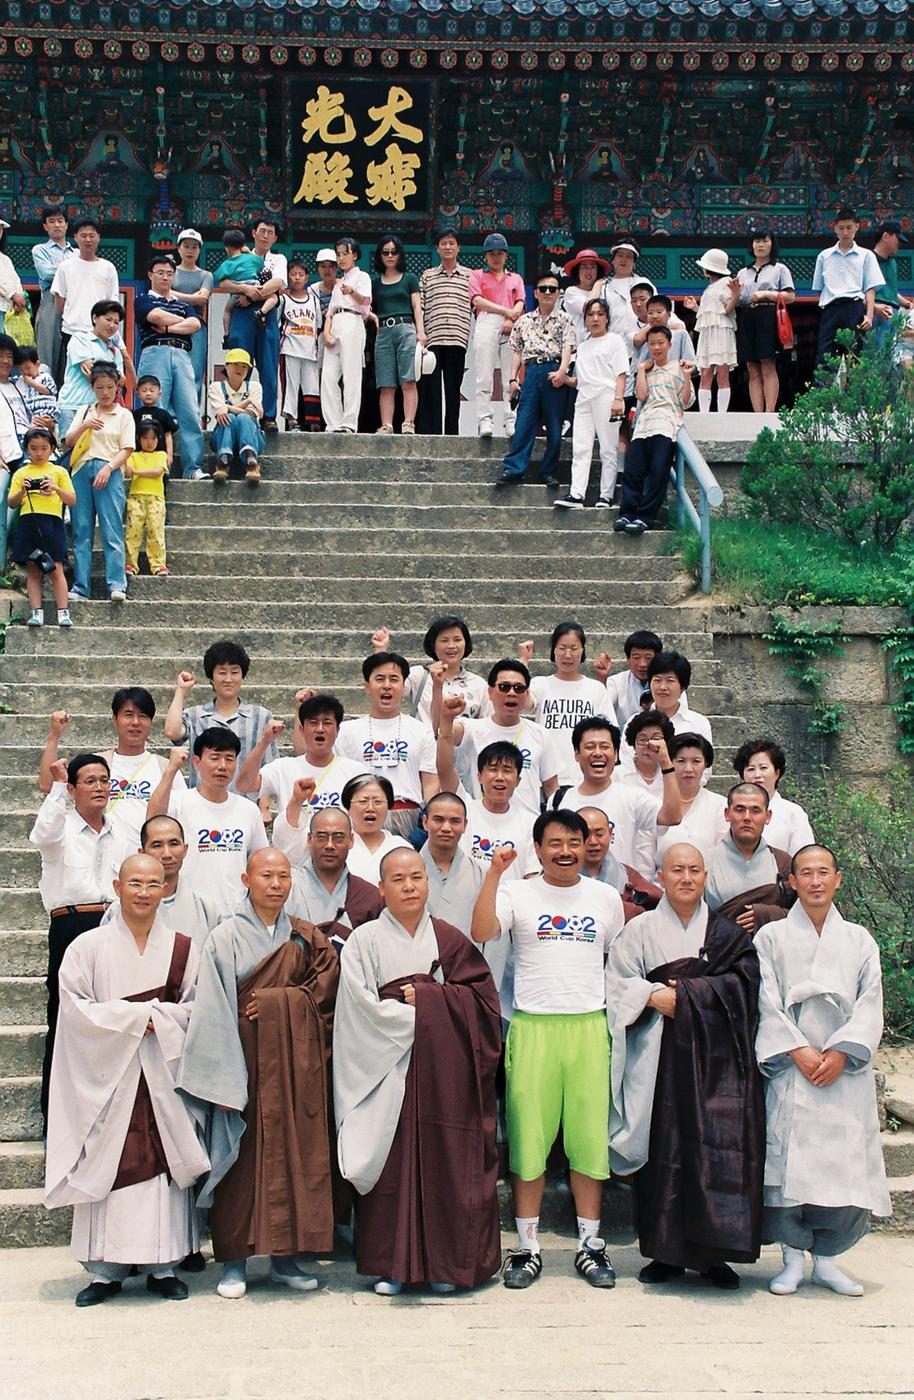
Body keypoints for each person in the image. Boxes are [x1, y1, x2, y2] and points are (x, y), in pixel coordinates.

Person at [334, 846, 502, 1295]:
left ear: (428, 884)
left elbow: (484, 1005)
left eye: (417, 877)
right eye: (398, 879)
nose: (409, 886)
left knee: (446, 1165)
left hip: (444, 1070)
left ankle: (444, 1267)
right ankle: (392, 1267)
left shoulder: (449, 938)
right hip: (384, 1069)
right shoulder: (363, 941)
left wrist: (427, 1001)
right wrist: (431, 1011)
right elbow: (359, 1010)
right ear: (382, 887)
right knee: (391, 1167)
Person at [45, 853, 207, 1307]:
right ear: (117, 887)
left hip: (162, 1077)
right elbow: (74, 1010)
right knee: (108, 1159)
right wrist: (143, 1016)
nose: (143, 892)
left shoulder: (183, 947)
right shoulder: (87, 948)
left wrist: (164, 1019)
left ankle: (164, 1264)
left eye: (153, 884)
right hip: (106, 1078)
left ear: (164, 889)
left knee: (161, 1162)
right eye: (134, 883)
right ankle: (105, 1272)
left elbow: (197, 1009)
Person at [177, 848, 339, 1299]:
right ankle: (233, 1262)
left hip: (294, 1068)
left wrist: (276, 1003)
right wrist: (224, 1078)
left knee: (296, 1153)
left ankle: (287, 1259)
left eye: (283, 876)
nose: (275, 883)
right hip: (242, 1064)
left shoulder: (306, 938)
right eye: (266, 875)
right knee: (241, 1160)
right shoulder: (225, 937)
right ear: (246, 879)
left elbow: (325, 995)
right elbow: (212, 1009)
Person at [472, 812, 624, 1290]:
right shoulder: (518, 891)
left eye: (574, 842)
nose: (565, 851)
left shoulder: (605, 898)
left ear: (586, 846)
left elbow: (616, 960)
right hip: (533, 1027)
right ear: (537, 848)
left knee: (587, 1142)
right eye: (554, 842)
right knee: (530, 1142)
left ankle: (590, 1245)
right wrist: (495, 873)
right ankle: (528, 1247)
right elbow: (481, 932)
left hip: (588, 1026)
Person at [607, 843, 765, 1289]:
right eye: (677, 869)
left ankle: (715, 1255)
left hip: (717, 1062)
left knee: (714, 1151)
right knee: (664, 1151)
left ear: (705, 875)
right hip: (656, 1055)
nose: (686, 878)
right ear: (662, 874)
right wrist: (651, 996)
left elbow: (746, 986)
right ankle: (665, 1253)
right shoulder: (639, 931)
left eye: (695, 870)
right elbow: (617, 982)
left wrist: (690, 996)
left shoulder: (728, 934)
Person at [755, 844, 892, 1297]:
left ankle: (829, 1259)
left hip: (842, 1071)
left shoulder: (859, 939)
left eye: (823, 873)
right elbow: (765, 1002)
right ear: (791, 881)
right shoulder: (770, 938)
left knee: (843, 1165)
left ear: (837, 879)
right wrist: (796, 1049)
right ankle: (792, 1258)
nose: (815, 881)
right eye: (805, 873)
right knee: (788, 1167)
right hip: (794, 1067)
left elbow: (871, 1002)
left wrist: (840, 1053)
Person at [29, 752, 133, 1125]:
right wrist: (56, 787)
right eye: (89, 781)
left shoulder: (123, 828)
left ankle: (108, 1116)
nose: (99, 787)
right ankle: (56, 1118)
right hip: (71, 926)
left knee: (113, 1014)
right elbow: (41, 835)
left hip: (114, 923)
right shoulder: (60, 826)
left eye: (104, 780)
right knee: (65, 1019)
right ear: (73, 788)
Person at [146, 729, 269, 918]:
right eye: (215, 757)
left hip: (235, 915)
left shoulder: (249, 810)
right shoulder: (178, 803)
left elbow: (260, 862)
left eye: (229, 758)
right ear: (197, 762)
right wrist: (171, 769)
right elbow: (151, 824)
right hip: (187, 913)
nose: (222, 766)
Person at [555, 716, 681, 876]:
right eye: (590, 747)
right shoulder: (562, 799)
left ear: (615, 754)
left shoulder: (631, 797)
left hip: (620, 893)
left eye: (605, 746)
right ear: (577, 754)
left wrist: (666, 763)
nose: (598, 753)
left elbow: (672, 817)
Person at [334, 651, 439, 838]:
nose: (387, 686)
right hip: (361, 816)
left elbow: (431, 783)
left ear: (404, 685)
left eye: (394, 679)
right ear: (366, 686)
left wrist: (427, 819)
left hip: (409, 817)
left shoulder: (421, 731)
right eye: (380, 679)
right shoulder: (346, 732)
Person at [443, 659, 560, 817]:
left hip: (527, 828)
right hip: (483, 822)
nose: (511, 693)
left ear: (526, 694)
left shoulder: (540, 734)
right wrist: (446, 715)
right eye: (504, 687)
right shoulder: (472, 729)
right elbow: (442, 734)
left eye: (519, 688)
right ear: (490, 692)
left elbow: (551, 788)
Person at [164, 639, 280, 791]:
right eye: (222, 672)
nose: (228, 679)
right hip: (201, 806)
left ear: (242, 676)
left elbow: (270, 768)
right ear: (211, 677)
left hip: (245, 806)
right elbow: (172, 732)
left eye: (234, 672)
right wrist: (181, 690)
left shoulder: (261, 716)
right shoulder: (195, 715)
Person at [495, 272, 574, 489]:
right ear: (536, 293)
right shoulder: (524, 321)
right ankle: (514, 469)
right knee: (524, 423)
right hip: (531, 372)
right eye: (543, 288)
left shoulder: (565, 319)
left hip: (553, 371)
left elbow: (568, 346)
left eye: (553, 288)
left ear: (559, 293)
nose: (548, 292)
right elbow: (517, 352)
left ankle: (547, 472)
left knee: (556, 429)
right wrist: (513, 379)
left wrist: (562, 371)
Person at [63, 361, 134, 604]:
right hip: (81, 470)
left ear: (117, 387)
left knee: (111, 528)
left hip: (109, 469)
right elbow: (68, 442)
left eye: (110, 387)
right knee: (81, 530)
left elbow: (127, 448)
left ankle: (117, 584)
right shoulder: (84, 411)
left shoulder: (124, 415)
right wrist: (85, 425)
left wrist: (109, 467)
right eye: (100, 387)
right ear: (93, 387)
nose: (105, 392)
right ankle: (82, 585)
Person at [237, 692, 366, 822]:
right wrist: (264, 742)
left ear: (337, 730)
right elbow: (244, 785)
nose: (320, 729)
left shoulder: (357, 772)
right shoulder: (282, 768)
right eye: (313, 723)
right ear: (301, 729)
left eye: (327, 723)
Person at [615, 327, 694, 535]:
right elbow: (641, 395)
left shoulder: (679, 368)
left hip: (667, 426)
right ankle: (627, 513)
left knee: (659, 471)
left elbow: (685, 402)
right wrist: (641, 369)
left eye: (661, 343)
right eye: (652, 344)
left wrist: (686, 377)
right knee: (633, 471)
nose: (657, 347)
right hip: (643, 427)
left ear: (669, 344)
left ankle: (646, 517)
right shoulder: (646, 369)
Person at [520, 622, 617, 785]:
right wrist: (524, 660)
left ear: (582, 651)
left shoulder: (596, 688)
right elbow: (522, 702)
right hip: (548, 777)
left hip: (585, 777)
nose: (567, 655)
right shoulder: (541, 684)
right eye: (562, 648)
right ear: (553, 651)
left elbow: (611, 730)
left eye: (573, 648)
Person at [554, 298, 628, 510]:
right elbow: (582, 379)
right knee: (581, 447)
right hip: (584, 399)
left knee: (608, 448)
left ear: (607, 318)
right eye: (590, 314)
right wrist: (564, 379)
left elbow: (620, 374)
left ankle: (606, 495)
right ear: (585, 319)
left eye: (600, 314)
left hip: (607, 397)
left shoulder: (615, 341)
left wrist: (618, 398)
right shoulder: (583, 346)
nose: (595, 319)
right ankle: (577, 494)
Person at [134, 254, 203, 480]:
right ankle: (156, 464)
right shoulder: (144, 299)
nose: (165, 277)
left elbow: (195, 324)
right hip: (156, 353)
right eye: (160, 272)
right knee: (155, 410)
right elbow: (153, 315)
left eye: (169, 273)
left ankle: (193, 468)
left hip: (182, 355)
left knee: (190, 410)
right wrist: (179, 322)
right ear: (151, 275)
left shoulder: (183, 304)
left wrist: (166, 328)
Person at [102, 814, 218, 948]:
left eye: (174, 844)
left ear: (185, 850)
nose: (167, 854)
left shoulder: (207, 909)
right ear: (142, 852)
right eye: (157, 845)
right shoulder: (119, 910)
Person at [277, 803, 384, 945]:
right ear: (309, 839)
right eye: (322, 837)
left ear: (351, 840)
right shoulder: (286, 889)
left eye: (338, 838)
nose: (329, 845)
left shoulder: (369, 896)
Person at [221, 217, 287, 431]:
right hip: (241, 314)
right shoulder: (239, 257)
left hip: (265, 314)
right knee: (238, 365)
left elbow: (277, 284)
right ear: (254, 233)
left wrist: (251, 295)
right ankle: (234, 411)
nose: (266, 235)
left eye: (270, 232)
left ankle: (268, 416)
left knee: (268, 368)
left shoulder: (278, 259)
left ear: (275, 237)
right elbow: (224, 282)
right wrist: (245, 290)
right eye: (262, 231)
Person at [705, 782, 795, 933]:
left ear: (768, 816)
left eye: (755, 811)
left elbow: (803, 916)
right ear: (727, 814)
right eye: (740, 810)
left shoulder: (782, 863)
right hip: (719, 951)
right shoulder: (704, 862)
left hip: (771, 951)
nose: (747, 817)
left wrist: (770, 914)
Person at [8, 426, 74, 628]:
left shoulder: (59, 471)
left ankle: (63, 612)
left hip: (52, 523)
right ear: (27, 449)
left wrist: (54, 488)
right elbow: (12, 503)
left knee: (57, 569)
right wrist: (23, 490)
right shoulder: (22, 473)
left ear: (52, 448)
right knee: (33, 570)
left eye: (44, 448)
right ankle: (36, 613)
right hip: (29, 522)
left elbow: (72, 500)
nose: (38, 453)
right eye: (33, 448)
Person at [371, 614, 489, 724]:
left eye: (457, 640)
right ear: (433, 645)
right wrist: (380, 651)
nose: (451, 646)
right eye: (444, 640)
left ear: (466, 643)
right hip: (425, 744)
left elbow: (486, 725)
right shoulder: (418, 675)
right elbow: (388, 688)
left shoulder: (479, 685)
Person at [467, 232, 526, 438]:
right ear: (485, 256)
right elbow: (477, 301)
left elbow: (520, 301)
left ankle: (511, 418)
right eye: (491, 253)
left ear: (506, 255)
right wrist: (505, 312)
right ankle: (485, 419)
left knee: (511, 376)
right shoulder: (477, 275)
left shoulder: (515, 278)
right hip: (487, 319)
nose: (496, 257)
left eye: (500, 253)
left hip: (512, 322)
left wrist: (511, 317)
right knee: (484, 375)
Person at [417, 227, 472, 435]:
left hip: (457, 339)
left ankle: (452, 435)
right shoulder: (427, 276)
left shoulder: (469, 276)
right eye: (443, 243)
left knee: (452, 390)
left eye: (452, 243)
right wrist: (421, 333)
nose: (448, 247)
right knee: (431, 390)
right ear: (437, 248)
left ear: (458, 248)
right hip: (432, 339)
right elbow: (420, 307)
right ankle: (432, 433)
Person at [812, 208, 882, 367]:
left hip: (854, 307)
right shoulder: (824, 256)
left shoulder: (866, 255)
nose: (845, 232)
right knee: (825, 356)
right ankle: (824, 390)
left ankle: (853, 392)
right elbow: (818, 289)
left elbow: (870, 288)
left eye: (849, 227)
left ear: (857, 226)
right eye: (841, 227)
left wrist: (869, 316)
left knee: (855, 356)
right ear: (835, 228)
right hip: (831, 308)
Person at [736, 229, 795, 412]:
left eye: (764, 241)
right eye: (756, 241)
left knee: (768, 364)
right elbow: (738, 299)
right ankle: (757, 413)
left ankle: (769, 412)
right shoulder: (743, 272)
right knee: (751, 367)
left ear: (772, 244)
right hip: (747, 317)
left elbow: (790, 296)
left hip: (767, 316)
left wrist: (766, 294)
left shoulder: (780, 269)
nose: (759, 245)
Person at [57, 300, 128, 451]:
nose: (112, 325)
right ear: (95, 318)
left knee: (96, 453)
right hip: (73, 405)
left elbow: (121, 380)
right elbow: (92, 373)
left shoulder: (114, 350)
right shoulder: (79, 339)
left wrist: (101, 370)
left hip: (99, 409)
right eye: (108, 319)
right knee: (70, 453)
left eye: (116, 322)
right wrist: (110, 374)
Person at [371, 234, 423, 436]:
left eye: (394, 251)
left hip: (406, 327)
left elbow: (417, 306)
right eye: (386, 252)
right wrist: (374, 317)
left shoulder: (410, 279)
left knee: (408, 379)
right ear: (380, 256)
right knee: (385, 383)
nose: (390, 256)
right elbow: (365, 305)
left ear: (400, 254)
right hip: (384, 330)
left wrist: (421, 331)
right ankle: (387, 425)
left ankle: (408, 422)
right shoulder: (375, 283)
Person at [653, 733, 727, 871]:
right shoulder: (654, 802)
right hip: (660, 887)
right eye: (681, 761)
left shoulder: (720, 806)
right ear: (670, 762)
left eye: (696, 761)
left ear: (706, 764)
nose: (688, 769)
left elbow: (722, 855)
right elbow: (644, 856)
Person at [321, 236, 372, 434]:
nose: (341, 258)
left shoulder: (362, 277)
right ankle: (333, 422)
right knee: (328, 376)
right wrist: (326, 333)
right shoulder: (336, 285)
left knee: (351, 374)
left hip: (353, 320)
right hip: (336, 324)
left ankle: (349, 422)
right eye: (339, 254)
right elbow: (330, 312)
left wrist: (351, 291)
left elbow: (365, 301)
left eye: (345, 253)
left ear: (355, 255)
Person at [732, 737, 815, 855]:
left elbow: (804, 858)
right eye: (750, 769)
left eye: (763, 768)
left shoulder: (793, 813)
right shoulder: (731, 811)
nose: (757, 775)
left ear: (777, 772)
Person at [578, 805, 661, 922]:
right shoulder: (559, 877)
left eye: (599, 834)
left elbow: (658, 907)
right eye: (585, 834)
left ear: (610, 833)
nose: (593, 842)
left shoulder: (628, 875)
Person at [682, 249, 739, 413]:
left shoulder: (726, 283)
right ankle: (705, 413)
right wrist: (695, 308)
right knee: (705, 372)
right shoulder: (710, 287)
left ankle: (721, 414)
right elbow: (709, 314)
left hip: (721, 331)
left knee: (722, 373)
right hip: (708, 332)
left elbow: (726, 310)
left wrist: (735, 295)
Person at [421, 790, 485, 936]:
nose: (446, 828)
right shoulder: (407, 872)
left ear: (465, 825)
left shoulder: (481, 873)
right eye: (438, 819)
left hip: (466, 957)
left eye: (455, 821)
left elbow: (491, 936)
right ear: (425, 822)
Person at [49, 216, 120, 340]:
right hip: (72, 331)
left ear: (99, 237)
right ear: (76, 237)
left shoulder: (108, 267)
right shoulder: (65, 267)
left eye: (92, 236)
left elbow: (112, 302)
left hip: (99, 332)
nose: (88, 240)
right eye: (83, 235)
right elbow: (60, 300)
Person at [337, 773, 411, 884]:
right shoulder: (336, 846)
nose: (370, 808)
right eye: (363, 801)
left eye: (378, 802)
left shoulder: (401, 847)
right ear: (348, 807)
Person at [207, 348, 265, 486]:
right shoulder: (216, 387)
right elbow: (219, 413)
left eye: (244, 366)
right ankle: (223, 461)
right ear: (226, 366)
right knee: (229, 418)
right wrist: (248, 402)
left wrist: (227, 407)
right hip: (222, 436)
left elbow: (251, 414)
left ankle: (251, 461)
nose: (240, 369)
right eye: (236, 365)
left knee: (244, 419)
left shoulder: (254, 386)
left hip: (252, 437)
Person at [32, 205, 74, 387]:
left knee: (71, 357)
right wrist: (72, 271)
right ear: (45, 226)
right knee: (47, 356)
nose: (57, 225)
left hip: (74, 305)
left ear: (66, 224)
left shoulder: (78, 253)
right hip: (50, 302)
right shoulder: (40, 250)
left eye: (60, 221)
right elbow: (46, 274)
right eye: (51, 221)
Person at [279, 258, 322, 432]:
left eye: (301, 274)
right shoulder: (283, 299)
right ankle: (292, 420)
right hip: (290, 348)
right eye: (293, 274)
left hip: (309, 349)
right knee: (291, 384)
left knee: (311, 385)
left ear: (306, 277)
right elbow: (277, 323)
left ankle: (313, 421)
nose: (297, 277)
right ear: (288, 276)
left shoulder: (313, 300)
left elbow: (318, 324)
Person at [172, 228, 213, 407]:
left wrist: (175, 294)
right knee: (172, 371)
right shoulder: (170, 272)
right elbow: (161, 293)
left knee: (195, 372)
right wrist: (192, 298)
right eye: (186, 246)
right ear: (178, 248)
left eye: (194, 247)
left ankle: (193, 414)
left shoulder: (206, 275)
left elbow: (203, 298)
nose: (190, 250)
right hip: (172, 323)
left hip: (196, 326)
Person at [124, 417, 168, 577]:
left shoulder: (161, 454)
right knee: (133, 531)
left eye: (153, 438)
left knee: (156, 531)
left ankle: (158, 565)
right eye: (145, 438)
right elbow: (127, 471)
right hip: (136, 497)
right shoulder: (133, 456)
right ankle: (130, 564)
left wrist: (137, 472)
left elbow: (158, 472)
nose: (149, 442)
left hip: (156, 498)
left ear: (158, 439)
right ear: (138, 439)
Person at [601, 630, 663, 731]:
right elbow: (604, 709)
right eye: (636, 657)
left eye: (648, 658)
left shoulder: (671, 684)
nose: (642, 664)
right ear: (627, 659)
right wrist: (602, 678)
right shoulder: (616, 682)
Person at [871, 219, 913, 350]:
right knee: (877, 357)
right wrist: (874, 307)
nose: (899, 244)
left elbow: (891, 291)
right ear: (886, 236)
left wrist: (906, 303)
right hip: (878, 311)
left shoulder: (892, 263)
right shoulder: (868, 259)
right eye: (897, 239)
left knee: (890, 358)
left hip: (893, 314)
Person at [561, 247, 610, 344]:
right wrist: (597, 285)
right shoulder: (571, 292)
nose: (588, 271)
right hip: (578, 346)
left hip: (602, 344)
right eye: (584, 267)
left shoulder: (606, 290)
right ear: (577, 271)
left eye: (592, 267)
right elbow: (589, 307)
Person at [133, 373, 177, 469]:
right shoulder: (134, 415)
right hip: (139, 456)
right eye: (144, 390)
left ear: (159, 392)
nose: (148, 393)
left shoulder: (164, 414)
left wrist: (169, 455)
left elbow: (168, 436)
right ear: (138, 393)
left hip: (159, 456)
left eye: (152, 390)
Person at [13, 345, 60, 432]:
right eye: (21, 370)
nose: (25, 372)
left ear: (37, 364)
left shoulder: (44, 377)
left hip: (44, 411)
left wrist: (32, 383)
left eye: (28, 368)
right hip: (30, 415)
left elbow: (49, 391)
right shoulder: (19, 381)